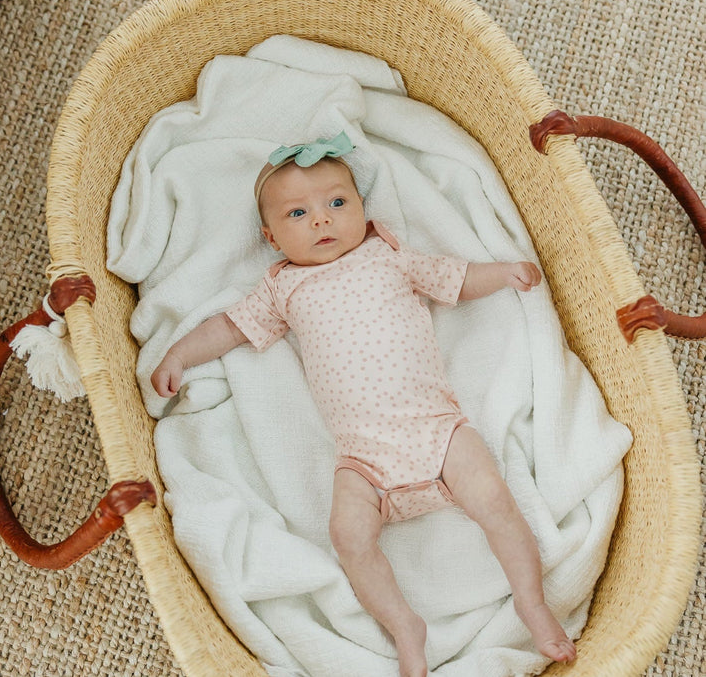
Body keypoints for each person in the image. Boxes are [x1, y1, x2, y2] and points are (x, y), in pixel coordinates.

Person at [151, 133, 577, 677]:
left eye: (336, 203)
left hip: (437, 431)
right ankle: (405, 626)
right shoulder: (281, 288)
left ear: (361, 208)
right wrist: (179, 357)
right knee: (348, 537)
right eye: (298, 213)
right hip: (363, 462)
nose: (322, 221)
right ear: (271, 236)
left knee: (495, 500)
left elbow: (454, 276)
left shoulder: (387, 256)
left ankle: (531, 601)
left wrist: (502, 274)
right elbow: (228, 328)